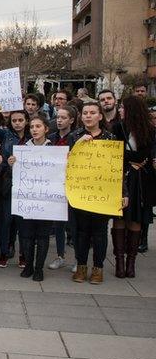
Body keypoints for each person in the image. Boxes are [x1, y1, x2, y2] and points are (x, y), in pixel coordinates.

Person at [70, 102, 118, 284]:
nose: (88, 116)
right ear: (81, 117)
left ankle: (98, 268)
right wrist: (78, 145)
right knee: (81, 232)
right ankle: (81, 266)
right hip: (80, 191)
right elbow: (66, 163)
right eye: (85, 113)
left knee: (99, 232)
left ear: (100, 116)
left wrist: (123, 193)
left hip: (103, 193)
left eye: (92, 113)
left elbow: (116, 168)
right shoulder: (75, 136)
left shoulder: (110, 138)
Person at [111, 95, 155, 278]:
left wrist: (133, 158)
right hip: (122, 178)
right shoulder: (117, 128)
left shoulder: (150, 131)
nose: (120, 110)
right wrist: (135, 159)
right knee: (119, 216)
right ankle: (119, 262)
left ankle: (131, 262)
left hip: (141, 181)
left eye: (123, 108)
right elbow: (114, 152)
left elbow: (148, 153)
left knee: (136, 219)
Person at [8, 115, 54, 281]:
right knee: (26, 234)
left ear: (46, 129)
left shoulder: (53, 149)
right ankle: (28, 265)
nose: (34, 129)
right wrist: (12, 163)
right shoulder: (22, 148)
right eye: (32, 127)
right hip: (26, 198)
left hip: (46, 199)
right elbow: (16, 175)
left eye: (38, 126)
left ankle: (39, 268)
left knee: (42, 235)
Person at [0, 111, 30, 269]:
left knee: (23, 223)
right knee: (5, 220)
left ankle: (23, 255)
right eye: (14, 120)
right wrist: (4, 161)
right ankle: (4, 253)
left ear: (26, 121)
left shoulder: (32, 137)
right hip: (8, 184)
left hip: (27, 186)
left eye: (20, 120)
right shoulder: (6, 135)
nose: (17, 123)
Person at [47, 105, 79, 270]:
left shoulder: (77, 138)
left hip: (72, 185)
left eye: (63, 118)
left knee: (74, 224)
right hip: (55, 185)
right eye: (57, 117)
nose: (59, 120)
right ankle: (60, 256)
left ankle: (78, 259)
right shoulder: (51, 138)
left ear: (72, 120)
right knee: (58, 223)